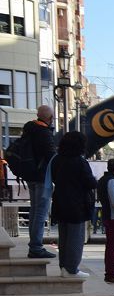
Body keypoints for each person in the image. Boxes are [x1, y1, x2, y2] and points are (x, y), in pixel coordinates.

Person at [49, 131, 96, 278]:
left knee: (63, 237)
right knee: (75, 238)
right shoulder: (80, 162)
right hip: (77, 205)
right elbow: (90, 183)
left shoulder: (56, 160)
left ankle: (64, 266)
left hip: (60, 202)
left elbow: (54, 178)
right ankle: (72, 268)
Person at [23, 105, 57, 259]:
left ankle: (34, 245)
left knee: (34, 211)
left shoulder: (29, 129)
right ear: (49, 118)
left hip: (29, 175)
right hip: (42, 177)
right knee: (40, 212)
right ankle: (36, 247)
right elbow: (52, 156)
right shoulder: (44, 133)